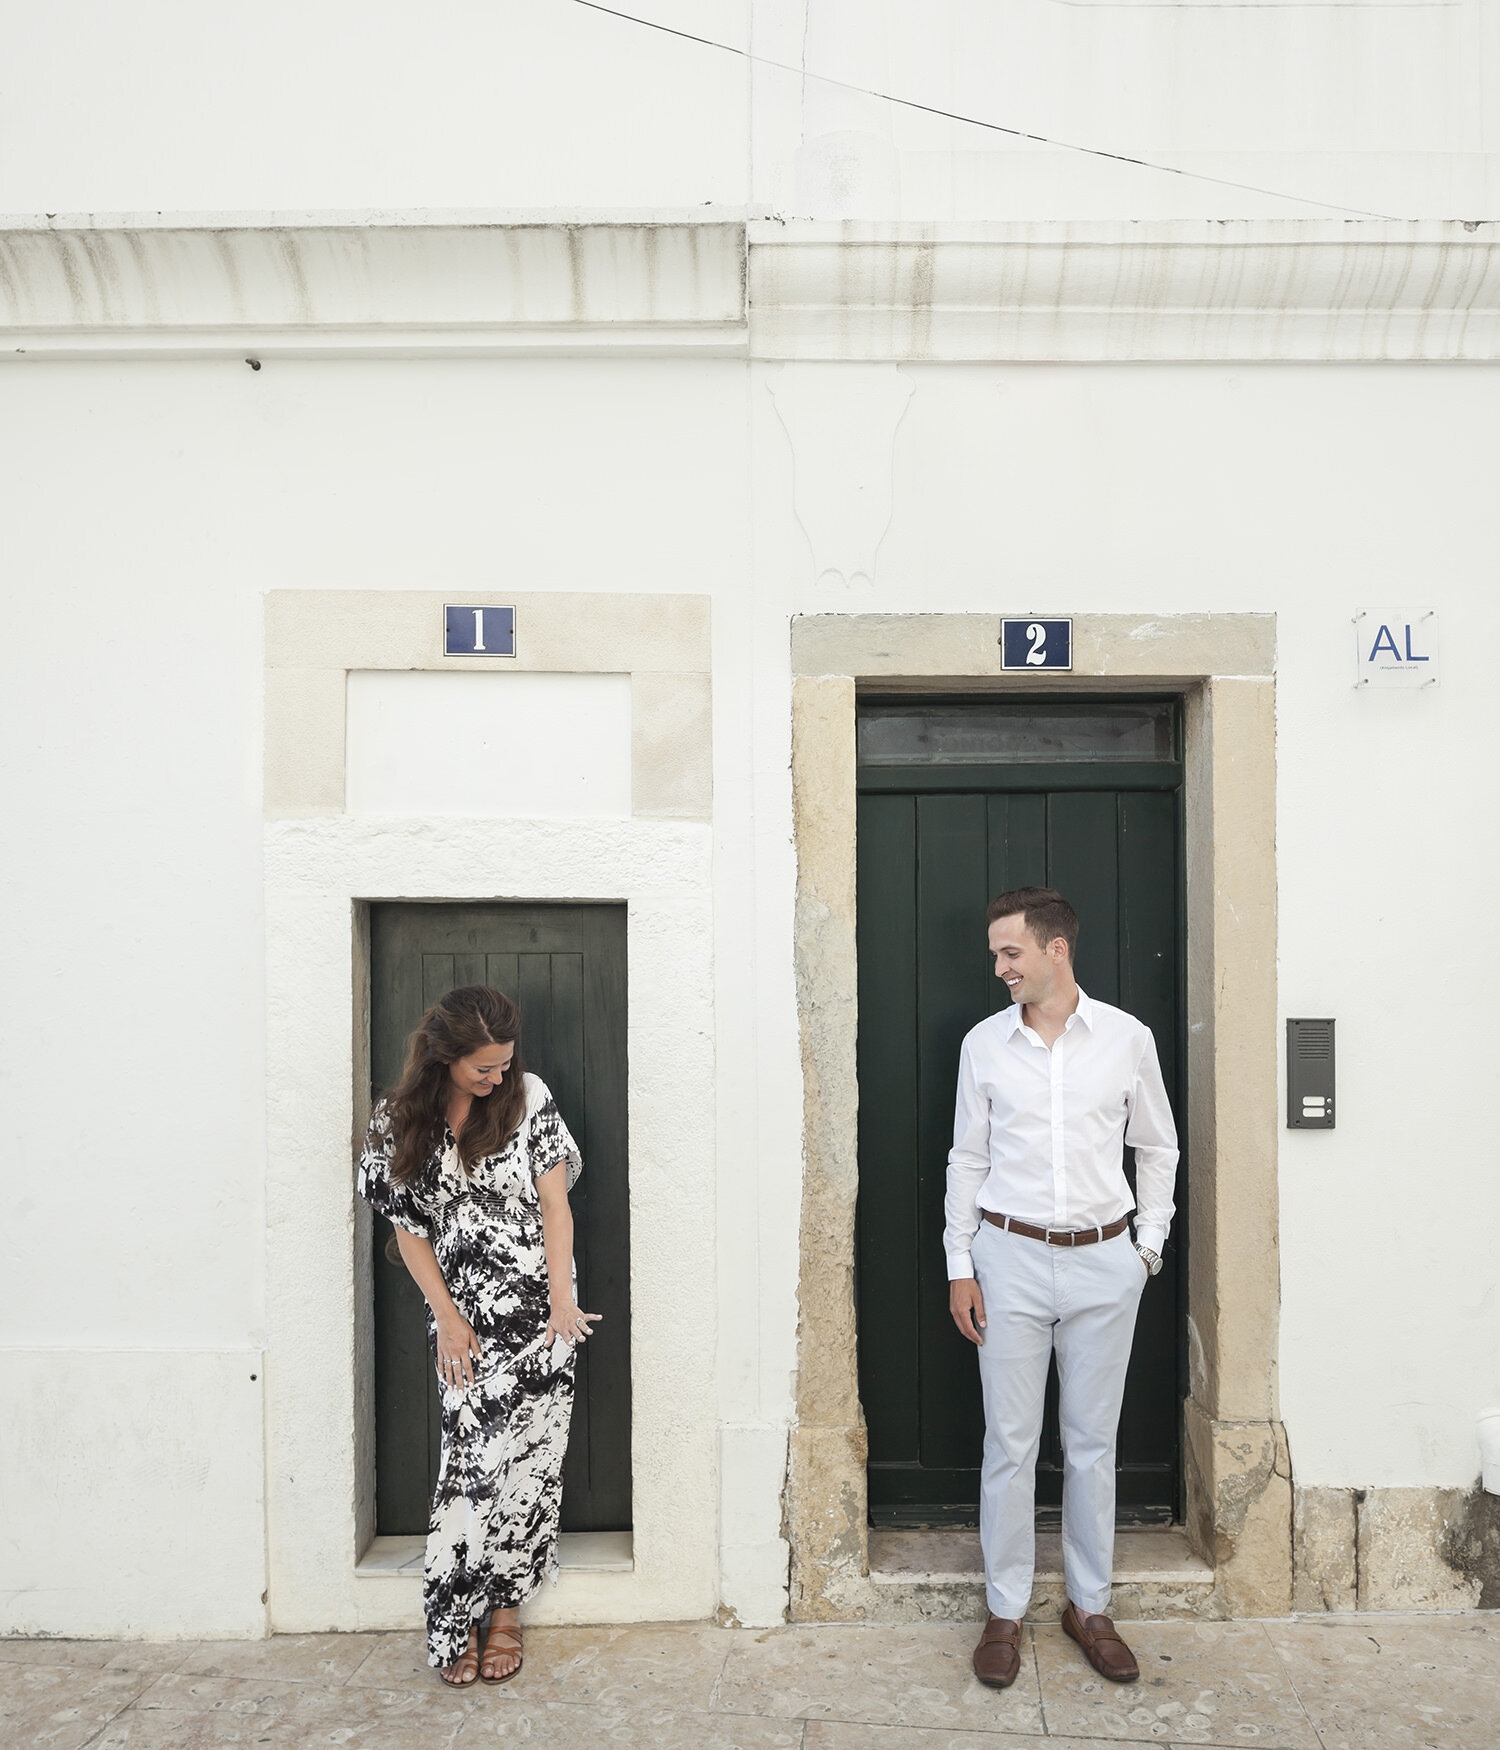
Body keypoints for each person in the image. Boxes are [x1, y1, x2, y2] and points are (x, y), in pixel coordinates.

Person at [945, 887, 1178, 1690]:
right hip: (1006, 1258)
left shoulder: (1126, 1039)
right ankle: (1005, 1609)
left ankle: (1089, 1606)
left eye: (1010, 953)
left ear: (1055, 950)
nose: (999, 968)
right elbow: (966, 1160)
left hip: (1104, 1263)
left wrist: (1145, 1249)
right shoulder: (984, 1044)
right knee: (1007, 1445)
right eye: (995, 955)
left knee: (1092, 1445)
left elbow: (1157, 1147)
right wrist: (959, 1263)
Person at [357, 985, 599, 1686]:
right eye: (482, 1069)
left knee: (531, 1462)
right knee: (470, 1461)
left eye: (504, 1064)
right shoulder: (395, 1119)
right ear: (442, 1056)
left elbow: (557, 1207)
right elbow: (407, 1231)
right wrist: (449, 1318)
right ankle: (456, 1611)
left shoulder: (528, 1096)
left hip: (543, 1309)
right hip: (461, 1314)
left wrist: (562, 1301)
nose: (496, 1079)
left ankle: (505, 1616)